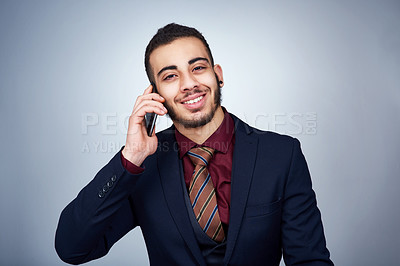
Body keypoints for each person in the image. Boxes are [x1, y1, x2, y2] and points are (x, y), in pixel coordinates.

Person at [55, 23, 333, 266]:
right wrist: (130, 158)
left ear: (218, 74)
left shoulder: (282, 155)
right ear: (156, 94)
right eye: (170, 76)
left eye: (198, 68)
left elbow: (310, 260)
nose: (189, 84)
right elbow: (72, 248)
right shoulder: (142, 167)